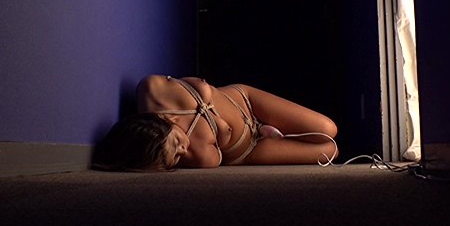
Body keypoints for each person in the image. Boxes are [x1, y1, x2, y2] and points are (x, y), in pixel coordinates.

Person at [91, 75, 338, 171]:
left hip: (246, 101)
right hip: (250, 148)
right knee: (330, 150)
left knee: (328, 128)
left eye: (175, 143)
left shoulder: (152, 90)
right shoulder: (198, 157)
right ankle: (266, 134)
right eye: (174, 159)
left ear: (164, 122)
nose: (183, 150)